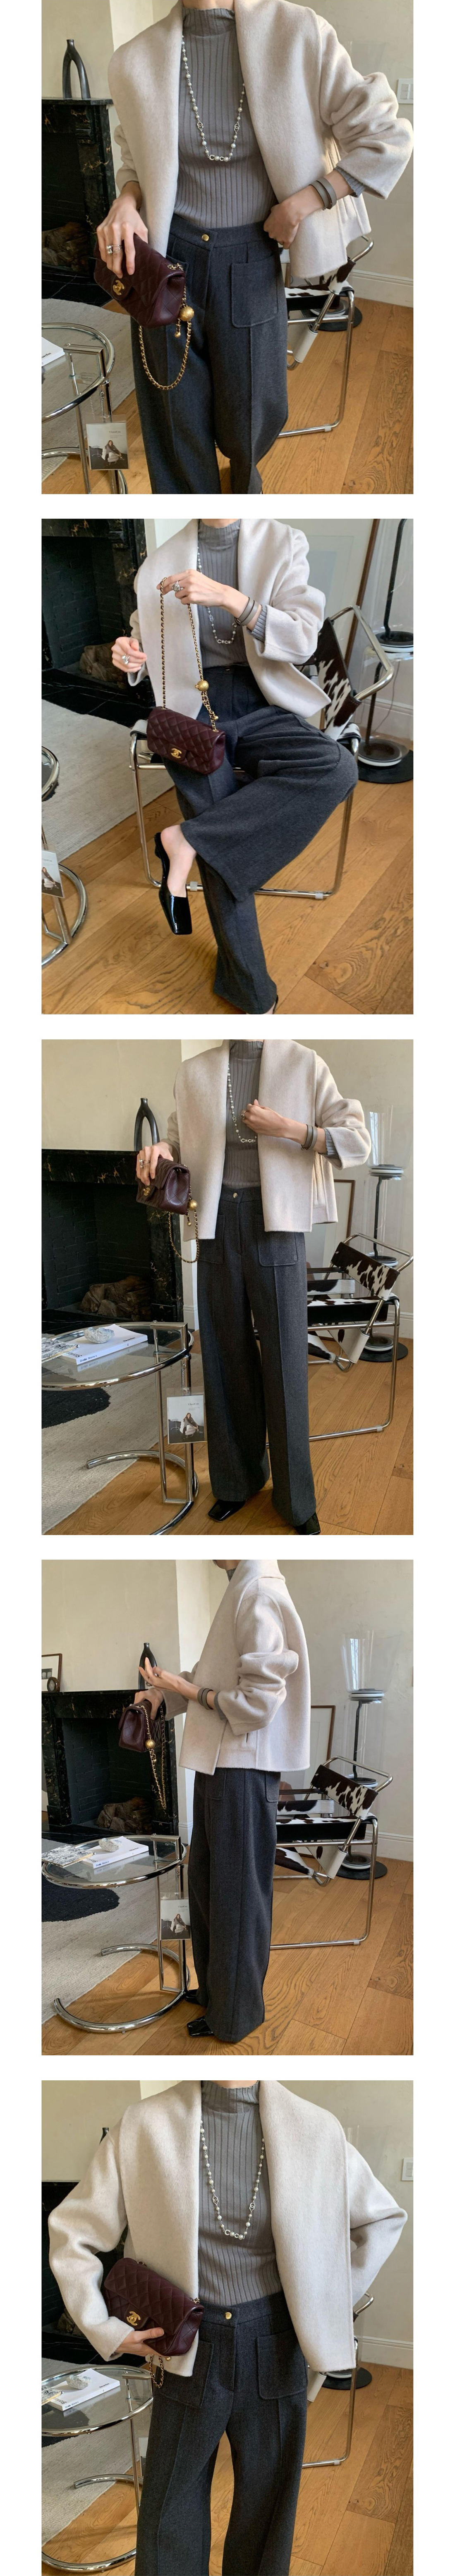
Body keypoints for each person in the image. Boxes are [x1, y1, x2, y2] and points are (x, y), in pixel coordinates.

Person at [48, 2078, 407, 2576]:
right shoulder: (144, 2125)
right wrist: (101, 2324)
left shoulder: (314, 2129)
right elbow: (74, 2231)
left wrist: (324, 2300)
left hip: (276, 2341)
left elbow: (381, 2218)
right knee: (168, 2508)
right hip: (186, 2345)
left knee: (268, 2506)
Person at [96, 0, 413, 494]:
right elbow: (135, 158)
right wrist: (126, 200)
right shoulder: (135, 58)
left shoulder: (298, 33)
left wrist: (310, 199)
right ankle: (191, 504)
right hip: (164, 258)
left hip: (248, 254)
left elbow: (386, 137)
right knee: (172, 418)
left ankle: (242, 497)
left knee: (252, 415)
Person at [113, 514, 357, 1011]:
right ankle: (251, 995)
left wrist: (231, 599)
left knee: (336, 768)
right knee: (221, 838)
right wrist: (130, 656)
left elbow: (304, 639)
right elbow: (143, 638)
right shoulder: (159, 562)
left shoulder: (283, 542)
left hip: (262, 698)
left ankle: (185, 841)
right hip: (190, 710)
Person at [136, 1034, 371, 1530]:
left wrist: (290, 1130)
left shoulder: (304, 1063)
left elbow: (356, 1139)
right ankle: (235, 1482)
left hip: (277, 1224)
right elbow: (179, 1138)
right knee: (224, 1356)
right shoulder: (195, 1070)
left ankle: (296, 1500)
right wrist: (160, 1148)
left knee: (285, 1360)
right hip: (213, 1220)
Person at [135, 1555, 311, 2041]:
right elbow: (216, 1676)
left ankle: (235, 2016)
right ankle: (217, 1992)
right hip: (222, 1762)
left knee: (236, 1897)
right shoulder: (241, 1586)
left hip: (241, 1766)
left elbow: (257, 1702)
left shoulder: (257, 1593)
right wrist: (162, 1697)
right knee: (208, 1886)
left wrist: (184, 1688)